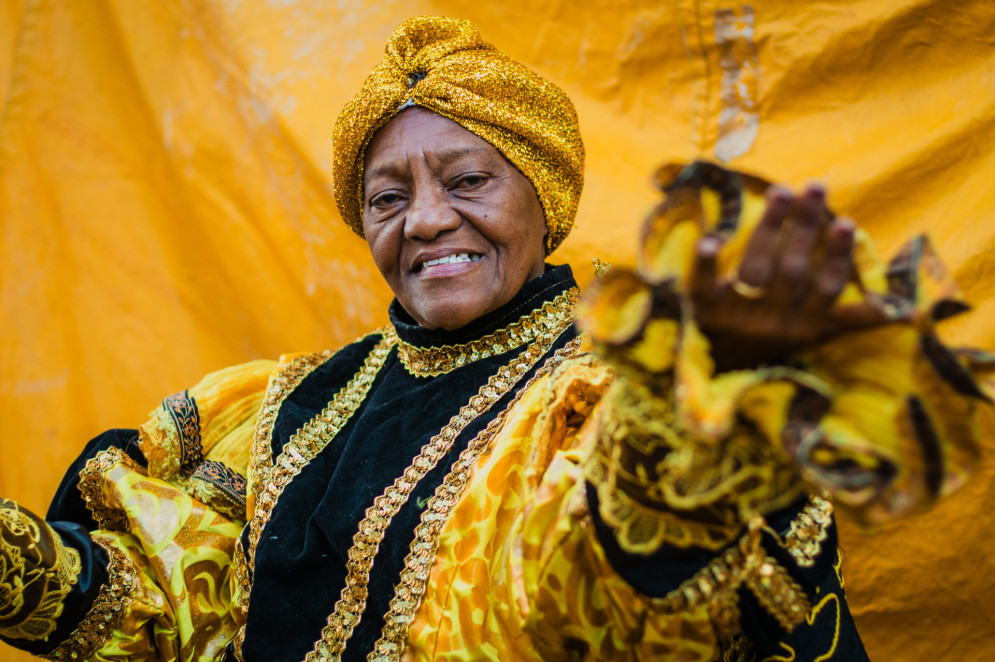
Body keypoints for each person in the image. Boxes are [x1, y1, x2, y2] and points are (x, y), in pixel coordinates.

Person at [1, 16, 989, 662]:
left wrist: (676, 462)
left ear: (542, 195)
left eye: (467, 181)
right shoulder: (291, 406)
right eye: (388, 197)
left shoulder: (620, 383)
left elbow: (599, 600)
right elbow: (186, 609)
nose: (424, 220)